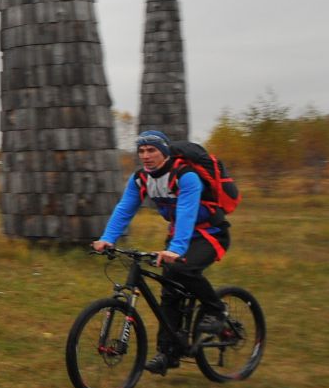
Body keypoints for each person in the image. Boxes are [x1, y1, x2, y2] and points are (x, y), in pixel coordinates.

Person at [90, 129, 231, 375]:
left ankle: (216, 310)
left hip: (210, 233)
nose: (145, 156)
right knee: (169, 292)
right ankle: (168, 354)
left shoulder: (185, 176)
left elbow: (187, 213)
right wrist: (107, 238)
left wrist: (175, 250)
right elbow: (124, 209)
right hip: (179, 234)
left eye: (151, 150)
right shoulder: (140, 179)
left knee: (183, 268)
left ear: (164, 152)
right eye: (141, 151)